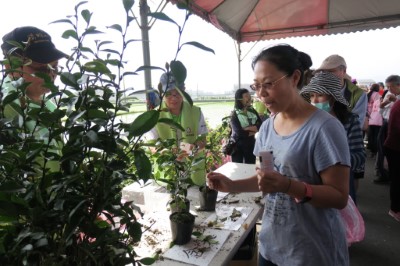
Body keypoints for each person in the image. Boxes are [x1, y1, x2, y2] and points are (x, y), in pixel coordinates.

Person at [208, 44, 350, 266]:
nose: (261, 94)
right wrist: (231, 185)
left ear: (294, 78)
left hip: (312, 252)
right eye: (256, 86)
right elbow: (266, 180)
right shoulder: (266, 128)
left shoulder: (325, 128)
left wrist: (288, 186)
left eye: (268, 84)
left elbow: (339, 197)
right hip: (272, 247)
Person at [1, 26, 67, 171]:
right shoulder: (6, 107)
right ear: (9, 67)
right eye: (41, 69)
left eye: (55, 67)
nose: (51, 75)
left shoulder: (50, 106)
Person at [300, 71, 366, 204]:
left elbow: (360, 156)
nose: (314, 101)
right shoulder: (305, 121)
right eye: (312, 96)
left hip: (341, 184)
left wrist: (333, 164)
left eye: (320, 95)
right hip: (310, 184)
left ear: (333, 97)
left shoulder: (349, 121)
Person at [315, 54, 367, 189]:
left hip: (346, 161)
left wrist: (335, 162)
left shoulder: (357, 96)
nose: (315, 101)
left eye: (331, 71)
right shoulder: (309, 119)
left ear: (343, 71)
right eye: (323, 72)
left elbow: (358, 152)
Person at [147, 72, 208, 185]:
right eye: (169, 93)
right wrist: (169, 153)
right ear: (162, 93)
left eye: (178, 93)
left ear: (184, 90)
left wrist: (192, 149)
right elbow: (152, 145)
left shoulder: (195, 111)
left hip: (193, 170)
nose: (173, 97)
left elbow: (203, 139)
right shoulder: (153, 116)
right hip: (167, 172)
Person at [375, 75, 400, 183]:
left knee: (394, 151)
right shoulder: (388, 94)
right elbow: (381, 111)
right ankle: (382, 174)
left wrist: (396, 101)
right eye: (387, 87)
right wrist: (385, 103)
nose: (388, 89)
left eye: (391, 87)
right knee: (381, 149)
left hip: (396, 127)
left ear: (398, 85)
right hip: (386, 123)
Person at [230, 88, 262, 164]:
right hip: (237, 146)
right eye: (246, 96)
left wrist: (247, 129)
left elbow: (260, 125)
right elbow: (239, 132)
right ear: (239, 99)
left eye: (249, 95)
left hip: (251, 144)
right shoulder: (234, 114)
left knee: (250, 167)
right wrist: (253, 130)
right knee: (238, 169)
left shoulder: (252, 111)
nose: (249, 98)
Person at [385, 98, 400, 222]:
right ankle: (395, 209)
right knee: (397, 180)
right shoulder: (398, 106)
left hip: (394, 147)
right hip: (395, 148)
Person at [366, 83, 383, 157]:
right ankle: (374, 150)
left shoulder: (368, 94)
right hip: (377, 118)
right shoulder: (378, 96)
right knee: (376, 135)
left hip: (369, 116)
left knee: (370, 135)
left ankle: (371, 150)